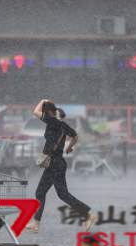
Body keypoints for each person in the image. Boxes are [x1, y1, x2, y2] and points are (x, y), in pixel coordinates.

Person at [26, 99, 97, 233]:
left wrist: (43, 100)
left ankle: (88, 215)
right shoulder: (63, 125)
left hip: (54, 163)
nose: (45, 115)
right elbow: (75, 136)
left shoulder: (53, 121)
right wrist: (69, 148)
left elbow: (35, 111)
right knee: (61, 194)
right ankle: (87, 215)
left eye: (47, 113)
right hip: (58, 162)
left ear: (50, 113)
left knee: (43, 192)